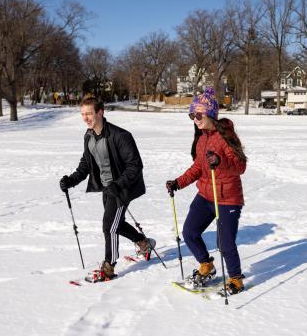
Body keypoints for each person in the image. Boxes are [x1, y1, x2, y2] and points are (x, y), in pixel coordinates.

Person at [59, 97, 155, 280]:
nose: (85, 118)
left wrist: (117, 185)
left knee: (109, 226)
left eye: (89, 113)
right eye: (82, 114)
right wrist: (70, 180)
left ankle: (109, 266)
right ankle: (144, 243)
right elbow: (86, 165)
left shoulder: (120, 135)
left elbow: (135, 165)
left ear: (100, 112)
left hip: (123, 188)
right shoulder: (88, 136)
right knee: (115, 223)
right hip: (106, 188)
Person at [166, 87, 248, 295]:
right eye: (192, 115)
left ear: (211, 114)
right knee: (190, 233)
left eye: (199, 114)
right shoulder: (202, 139)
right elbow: (197, 168)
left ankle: (236, 279)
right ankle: (206, 265)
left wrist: (220, 162)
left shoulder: (226, 136)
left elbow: (240, 167)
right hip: (205, 195)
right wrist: (178, 182)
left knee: (225, 243)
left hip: (228, 198)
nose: (195, 118)